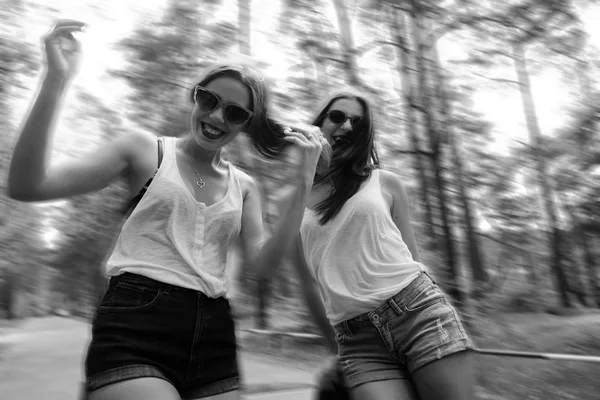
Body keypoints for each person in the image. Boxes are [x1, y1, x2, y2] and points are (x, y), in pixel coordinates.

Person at [7, 20, 324, 400]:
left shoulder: (246, 187)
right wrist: (56, 79)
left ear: (246, 123)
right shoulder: (145, 150)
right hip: (136, 322)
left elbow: (262, 269)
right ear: (195, 96)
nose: (218, 117)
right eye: (209, 100)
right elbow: (29, 185)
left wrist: (305, 180)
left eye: (235, 113)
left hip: (213, 335)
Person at [280, 90, 476, 400]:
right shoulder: (290, 202)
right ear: (318, 124)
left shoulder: (385, 182)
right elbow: (308, 286)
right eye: (337, 117)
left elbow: (412, 256)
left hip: (417, 312)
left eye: (357, 122)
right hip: (357, 340)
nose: (346, 126)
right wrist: (336, 352)